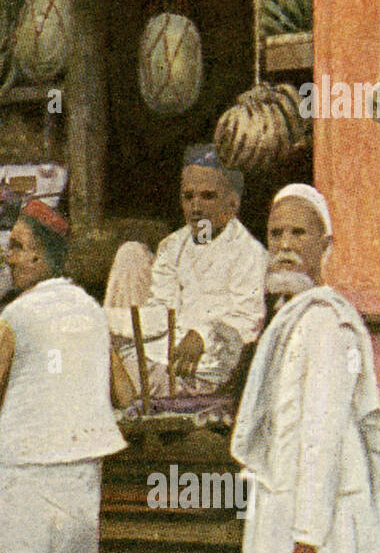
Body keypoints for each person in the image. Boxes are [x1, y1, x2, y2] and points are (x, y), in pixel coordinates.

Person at [231, 184, 380, 553]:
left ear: (325, 247)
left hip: (322, 524)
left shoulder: (326, 323)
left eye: (298, 233)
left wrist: (305, 550)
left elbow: (321, 442)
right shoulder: (290, 318)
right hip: (287, 510)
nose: (284, 245)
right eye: (276, 233)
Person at [0, 200, 131, 553]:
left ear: (39, 258)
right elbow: (124, 393)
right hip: (80, 474)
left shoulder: (16, 316)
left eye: (16, 247)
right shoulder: (92, 311)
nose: (8, 256)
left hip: (21, 474)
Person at [104, 145, 267, 396]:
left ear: (232, 204)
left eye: (207, 196)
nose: (196, 207)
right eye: (188, 197)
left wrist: (202, 336)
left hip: (210, 364)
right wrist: (112, 323)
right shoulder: (172, 246)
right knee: (107, 353)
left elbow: (248, 320)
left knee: (113, 374)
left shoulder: (250, 253)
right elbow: (160, 312)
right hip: (167, 351)